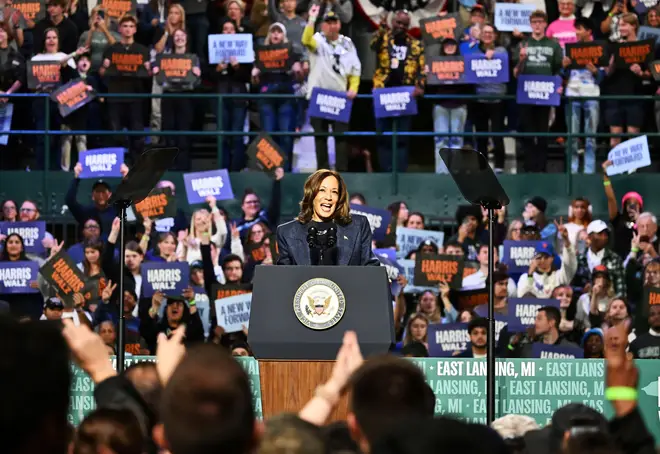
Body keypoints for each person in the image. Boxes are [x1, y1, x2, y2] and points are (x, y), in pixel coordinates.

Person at [275, 169, 379, 266]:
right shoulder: (287, 233)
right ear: (311, 194)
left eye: (334, 192)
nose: (328, 197)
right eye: (322, 190)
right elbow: (284, 278)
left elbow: (370, 269)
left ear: (339, 198)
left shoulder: (358, 226)